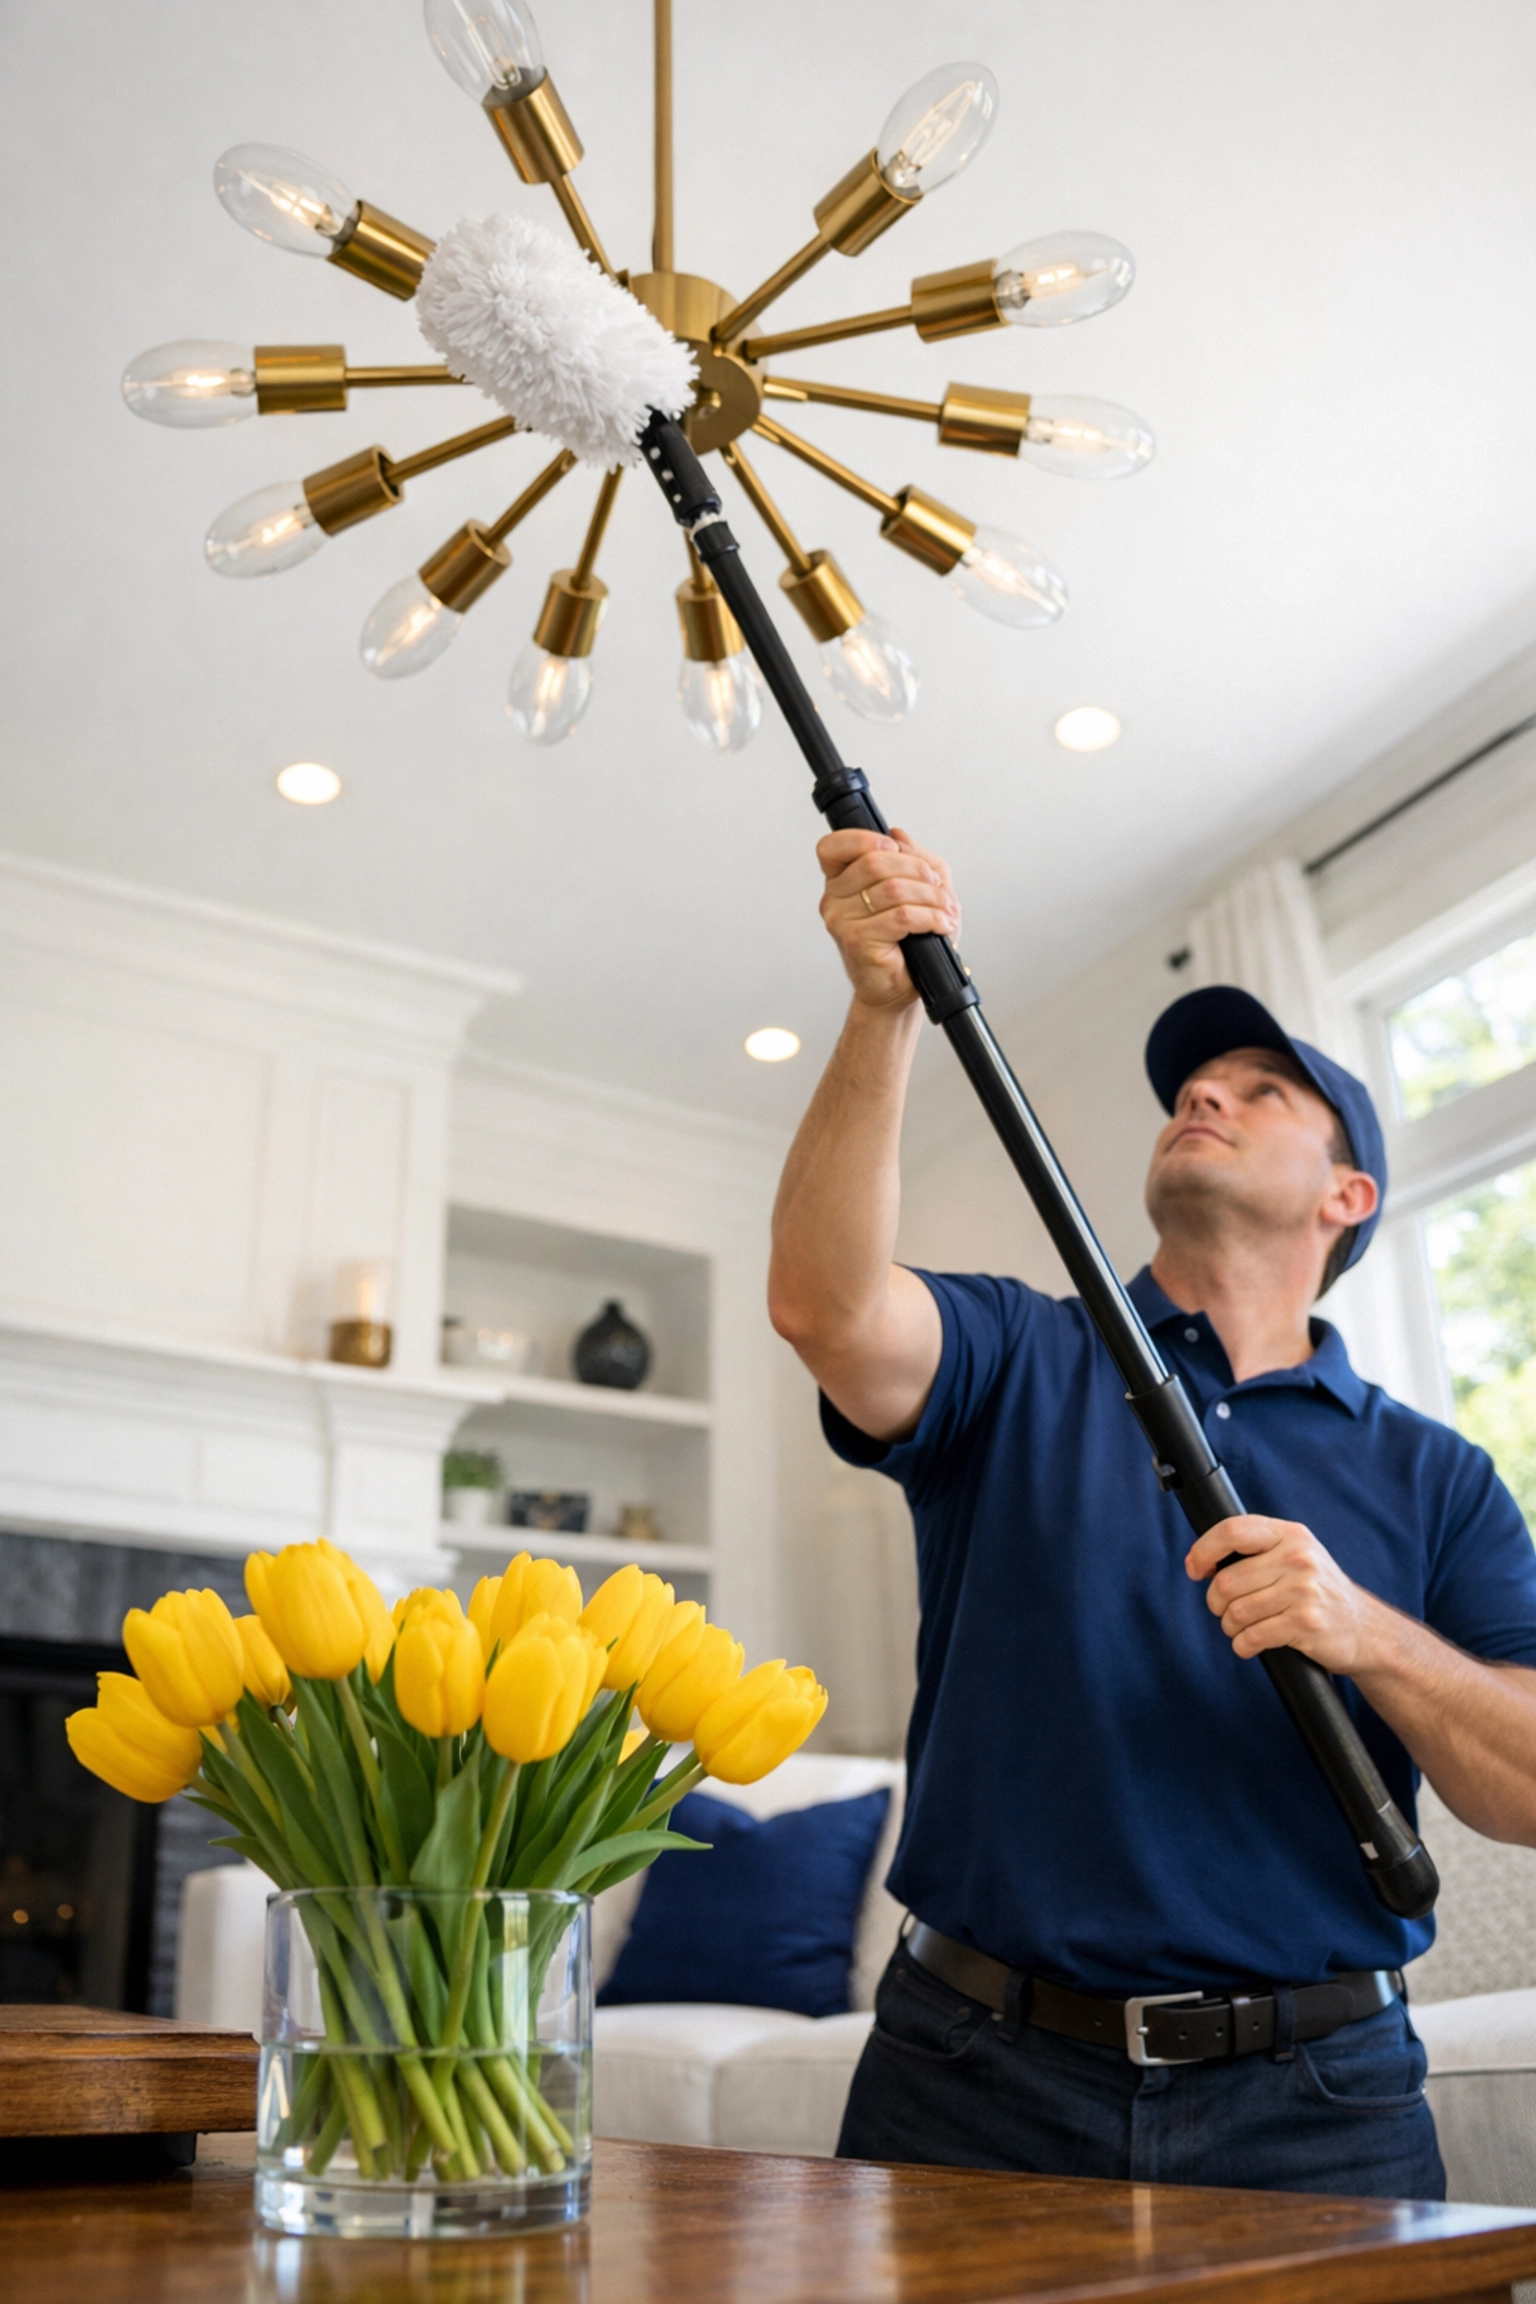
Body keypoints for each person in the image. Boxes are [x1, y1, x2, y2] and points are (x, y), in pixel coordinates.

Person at [768, 823, 1536, 2197]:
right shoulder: (1017, 1356)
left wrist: (1368, 1633)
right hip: (968, 2077)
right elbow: (825, 1307)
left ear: (1348, 1197)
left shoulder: (1438, 1476)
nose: (1205, 1095)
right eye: (1194, 1082)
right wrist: (884, 1010)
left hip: (1324, 2102)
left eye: (1261, 1090)